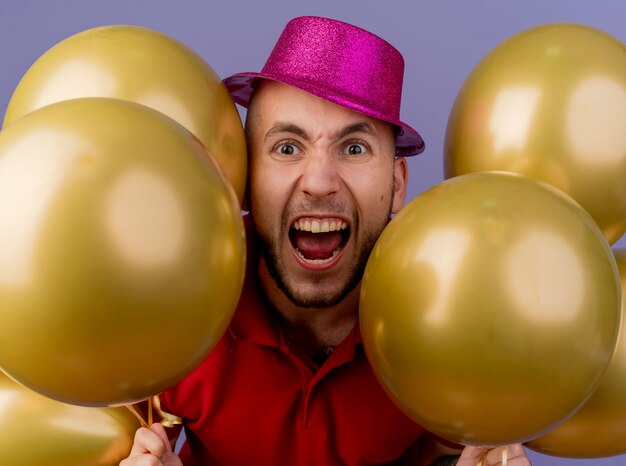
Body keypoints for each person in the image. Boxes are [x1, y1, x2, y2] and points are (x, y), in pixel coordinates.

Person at [120, 16, 531, 466]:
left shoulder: (450, 314)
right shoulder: (174, 303)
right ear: (242, 176)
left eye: (354, 149)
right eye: (287, 148)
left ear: (396, 183)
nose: (318, 182)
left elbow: (445, 452)